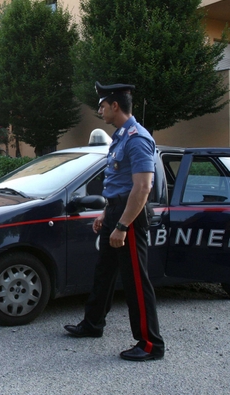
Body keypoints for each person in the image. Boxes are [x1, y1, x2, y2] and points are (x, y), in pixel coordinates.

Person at [64, 82, 165, 362]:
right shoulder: (120, 137)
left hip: (129, 218)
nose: (100, 110)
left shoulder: (137, 138)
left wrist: (122, 225)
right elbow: (118, 184)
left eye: (103, 105)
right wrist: (107, 214)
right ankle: (93, 324)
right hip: (116, 212)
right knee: (104, 272)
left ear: (115, 105)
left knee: (135, 281)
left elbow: (142, 188)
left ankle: (150, 344)